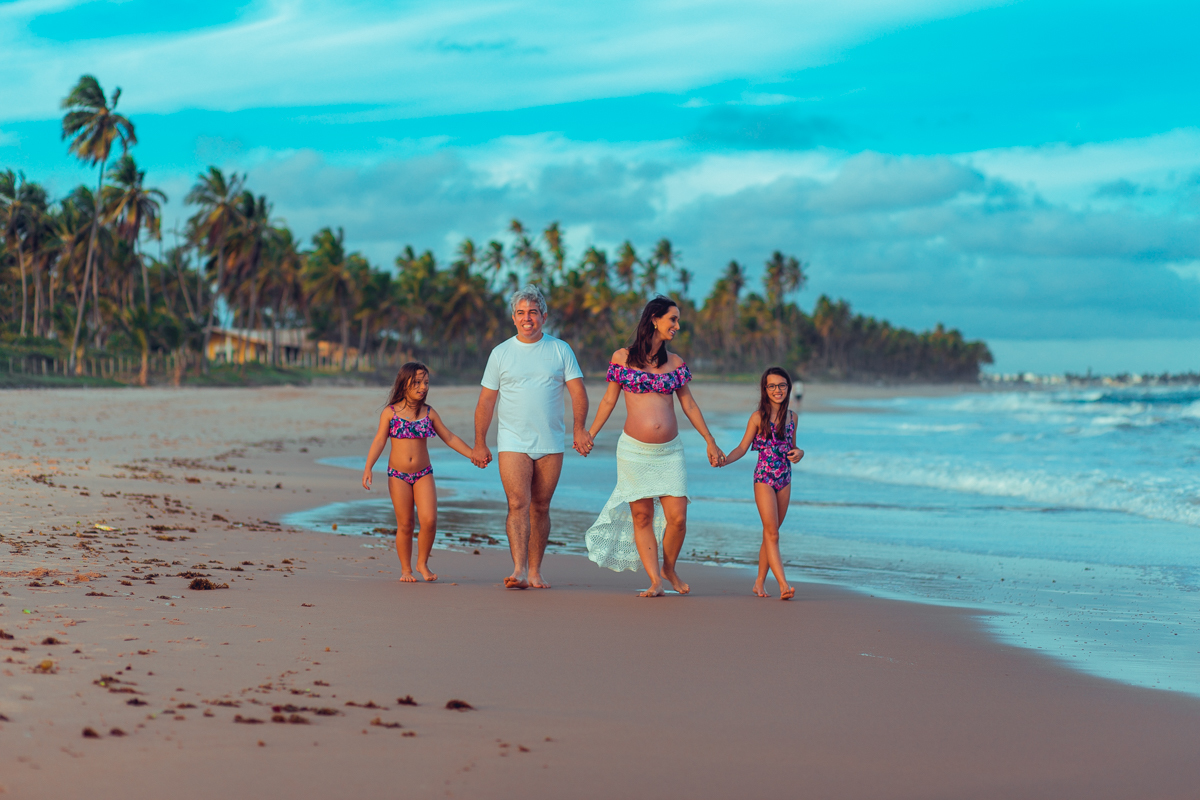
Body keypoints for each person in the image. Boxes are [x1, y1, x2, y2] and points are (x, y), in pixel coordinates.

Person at [583, 296, 724, 597]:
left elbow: (689, 404)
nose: (677, 325)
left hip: (670, 452)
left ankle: (668, 568)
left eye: (677, 319)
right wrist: (589, 433)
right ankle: (655, 581)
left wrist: (710, 441)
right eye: (673, 319)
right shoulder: (622, 358)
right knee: (642, 516)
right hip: (634, 451)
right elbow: (609, 400)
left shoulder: (675, 364)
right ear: (654, 320)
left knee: (678, 518)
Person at [472, 285, 592, 589]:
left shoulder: (560, 349)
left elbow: (578, 392)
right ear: (514, 318)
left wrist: (579, 429)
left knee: (541, 506)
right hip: (512, 441)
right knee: (517, 503)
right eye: (522, 313)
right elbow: (486, 401)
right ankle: (519, 569)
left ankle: (536, 570)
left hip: (551, 442)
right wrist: (480, 442)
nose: (528, 318)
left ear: (544, 316)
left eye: (533, 312)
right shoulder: (501, 353)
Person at [362, 361, 480, 583]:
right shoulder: (390, 413)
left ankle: (422, 563)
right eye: (417, 382)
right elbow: (379, 440)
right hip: (398, 475)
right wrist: (368, 467)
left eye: (426, 382)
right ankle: (406, 569)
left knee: (429, 520)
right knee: (405, 524)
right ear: (403, 383)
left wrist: (472, 454)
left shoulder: (429, 413)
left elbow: (450, 437)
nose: (423, 387)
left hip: (423, 473)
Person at [720, 367, 804, 600]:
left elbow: (793, 447)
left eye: (782, 386)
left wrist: (800, 453)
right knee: (772, 534)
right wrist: (725, 460)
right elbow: (742, 448)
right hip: (764, 478)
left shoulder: (793, 418)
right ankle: (783, 584)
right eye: (772, 386)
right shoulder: (758, 417)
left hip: (785, 478)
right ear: (765, 389)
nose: (777, 390)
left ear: (788, 387)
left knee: (772, 533)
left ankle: (759, 583)